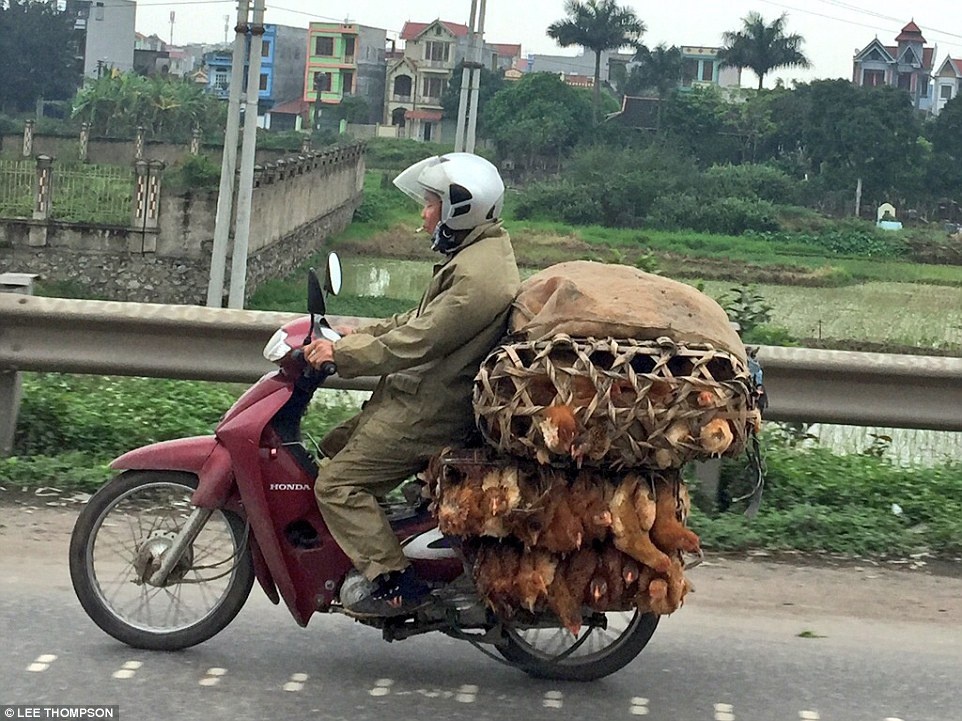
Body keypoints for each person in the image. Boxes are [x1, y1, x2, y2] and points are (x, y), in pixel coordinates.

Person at [303, 153, 520, 618]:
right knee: (331, 446)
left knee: (337, 485)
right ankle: (382, 546)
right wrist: (356, 335)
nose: (423, 214)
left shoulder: (476, 277)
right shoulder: (476, 256)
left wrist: (345, 355)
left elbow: (421, 339)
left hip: (429, 409)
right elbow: (416, 321)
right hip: (416, 394)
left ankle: (394, 580)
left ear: (460, 210)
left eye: (429, 204)